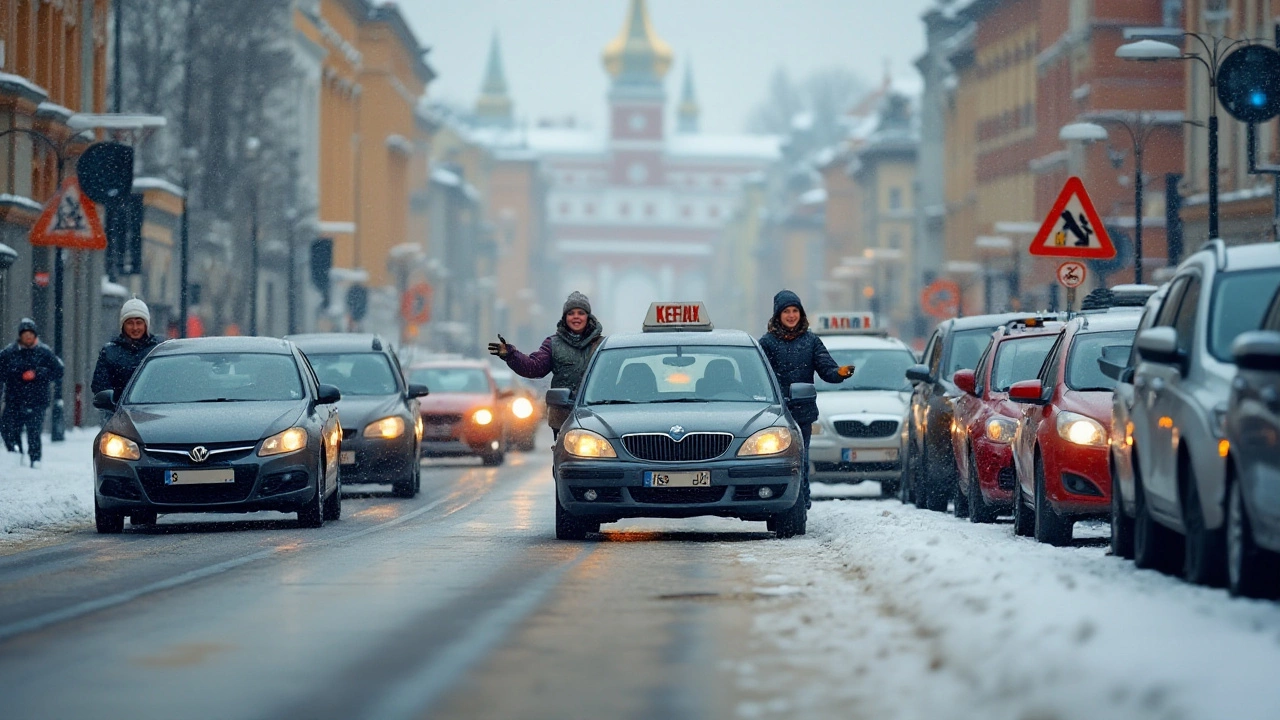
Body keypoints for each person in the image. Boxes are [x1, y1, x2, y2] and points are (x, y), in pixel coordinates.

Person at [758, 290, 854, 509]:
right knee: (777, 459)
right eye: (786, 311)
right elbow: (758, 376)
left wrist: (839, 373)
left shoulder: (811, 341)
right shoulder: (767, 343)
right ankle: (773, 498)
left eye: (795, 311)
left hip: (803, 412)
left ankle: (802, 501)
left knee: (801, 459)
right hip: (775, 414)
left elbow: (826, 368)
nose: (791, 315)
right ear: (777, 315)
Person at [488, 291, 604, 440]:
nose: (576, 316)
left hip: (597, 416)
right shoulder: (553, 344)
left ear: (588, 317)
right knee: (566, 459)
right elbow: (534, 367)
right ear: (565, 317)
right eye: (571, 313)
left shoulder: (601, 345)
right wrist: (511, 354)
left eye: (581, 313)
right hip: (563, 417)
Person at [0, 318, 64, 468]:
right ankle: (15, 454)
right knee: (9, 429)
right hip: (14, 399)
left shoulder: (44, 352)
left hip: (37, 400)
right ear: (20, 336)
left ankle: (35, 459)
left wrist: (39, 374)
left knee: (34, 431)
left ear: (35, 335)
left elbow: (58, 370)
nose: (28, 337)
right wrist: (13, 375)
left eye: (31, 334)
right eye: (25, 334)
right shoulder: (10, 353)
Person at [92, 298, 162, 419]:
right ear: (122, 325)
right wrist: (113, 403)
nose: (135, 328)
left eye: (139, 322)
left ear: (146, 324)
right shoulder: (109, 352)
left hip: (155, 414)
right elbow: (100, 385)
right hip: (118, 416)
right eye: (130, 323)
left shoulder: (159, 350)